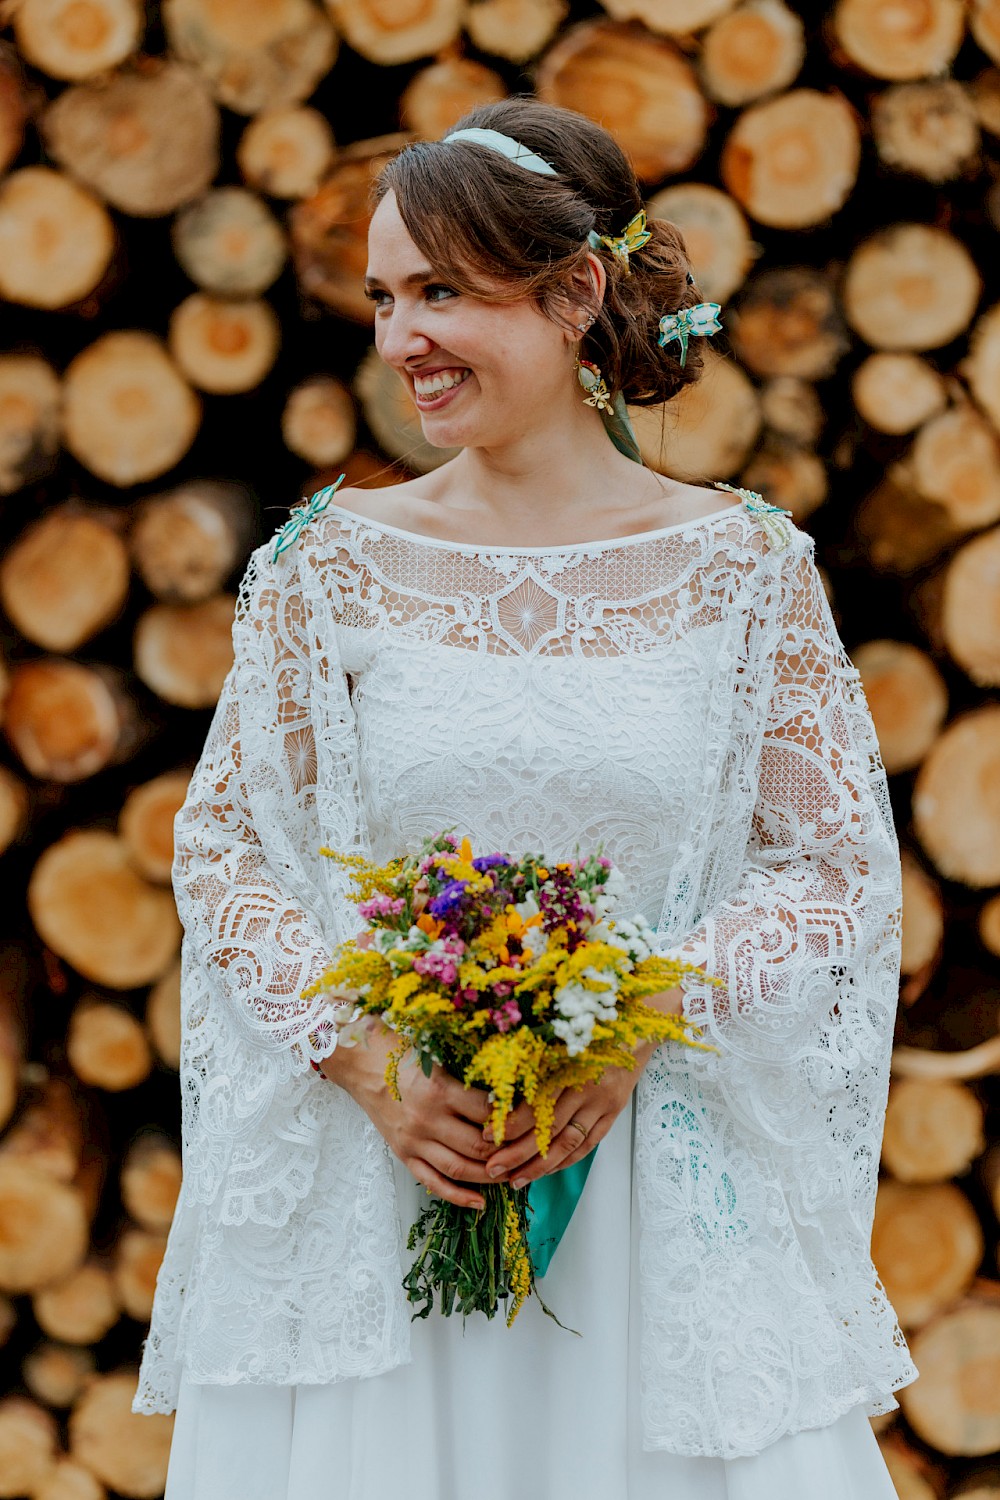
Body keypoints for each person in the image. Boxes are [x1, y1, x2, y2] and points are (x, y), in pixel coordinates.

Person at [135, 99, 918, 1499]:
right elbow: (226, 852)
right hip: (395, 1186)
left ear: (576, 295)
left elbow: (831, 873)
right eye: (383, 297)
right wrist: (364, 1059)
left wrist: (640, 1018)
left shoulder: (744, 570)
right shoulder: (329, 566)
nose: (398, 340)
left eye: (442, 291)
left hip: (655, 1198)